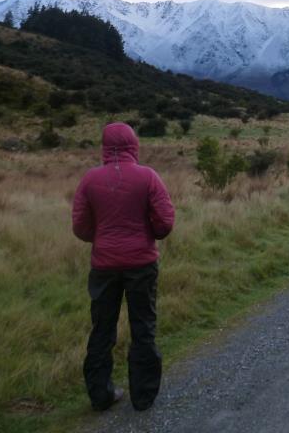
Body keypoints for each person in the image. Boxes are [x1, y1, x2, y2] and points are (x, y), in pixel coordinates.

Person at [72, 122, 175, 412]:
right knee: (143, 326)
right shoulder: (148, 177)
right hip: (141, 264)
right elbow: (165, 223)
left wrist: (103, 239)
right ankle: (143, 396)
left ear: (104, 147)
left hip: (104, 264)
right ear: (134, 145)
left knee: (102, 328)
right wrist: (145, 235)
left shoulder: (90, 179)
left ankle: (101, 395)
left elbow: (80, 226)